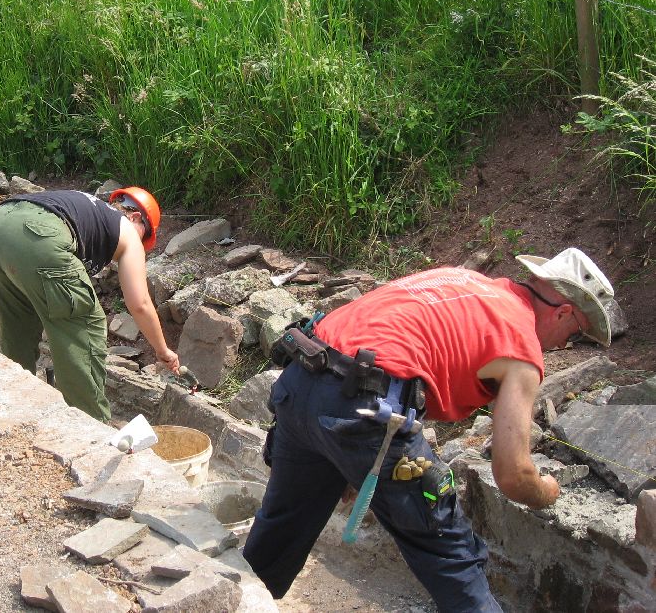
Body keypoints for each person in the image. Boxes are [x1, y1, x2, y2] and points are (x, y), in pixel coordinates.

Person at [243, 248, 615, 611]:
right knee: (452, 555)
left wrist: (343, 451)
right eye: (578, 332)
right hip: (363, 407)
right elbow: (514, 475)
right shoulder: (520, 344)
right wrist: (546, 491)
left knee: (281, 528)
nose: (566, 344)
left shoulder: (465, 281)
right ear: (564, 311)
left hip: (301, 377)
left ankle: (234, 602)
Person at [0, 187, 181, 422]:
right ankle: (91, 425)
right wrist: (162, 351)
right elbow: (140, 304)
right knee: (86, 324)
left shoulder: (89, 209)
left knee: (18, 322)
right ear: (135, 218)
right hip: (37, 236)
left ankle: (12, 408)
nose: (141, 244)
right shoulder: (127, 230)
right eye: (145, 237)